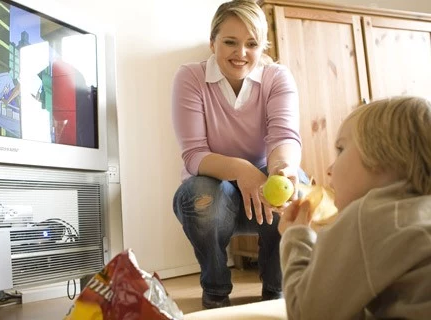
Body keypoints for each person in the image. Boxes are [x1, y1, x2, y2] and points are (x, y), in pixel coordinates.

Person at [171, 0, 309, 309]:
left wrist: (282, 170)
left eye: (252, 44)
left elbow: (283, 137)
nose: (241, 52)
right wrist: (242, 169)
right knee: (198, 196)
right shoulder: (190, 78)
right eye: (230, 42)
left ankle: (276, 292)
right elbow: (194, 154)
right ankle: (216, 291)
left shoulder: (277, 78)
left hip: (263, 184)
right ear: (212, 42)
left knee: (297, 183)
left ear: (263, 47)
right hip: (212, 190)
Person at [278, 96, 431, 319]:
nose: (330, 168)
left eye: (340, 149)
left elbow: (307, 312)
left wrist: (296, 236)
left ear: (382, 155)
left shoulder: (367, 216)